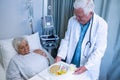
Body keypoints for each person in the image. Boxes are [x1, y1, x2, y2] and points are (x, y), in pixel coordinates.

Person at [55, 0, 108, 80]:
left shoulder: (101, 25)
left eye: (80, 16)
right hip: (71, 65)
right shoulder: (72, 20)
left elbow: (99, 50)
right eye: (75, 15)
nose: (76, 18)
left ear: (90, 13)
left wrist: (86, 66)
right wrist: (59, 56)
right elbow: (67, 40)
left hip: (88, 68)